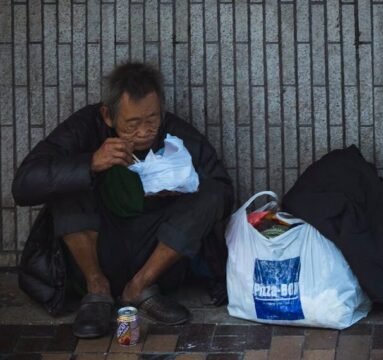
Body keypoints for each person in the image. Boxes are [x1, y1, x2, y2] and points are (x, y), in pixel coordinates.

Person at [12, 62, 234, 338]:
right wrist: (89, 163)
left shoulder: (172, 131)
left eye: (151, 120)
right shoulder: (85, 127)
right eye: (132, 124)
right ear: (108, 116)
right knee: (69, 180)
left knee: (208, 193)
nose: (143, 131)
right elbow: (23, 185)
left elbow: (223, 191)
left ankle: (140, 287)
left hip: (153, 251)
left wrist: (184, 185)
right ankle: (97, 290)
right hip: (96, 248)